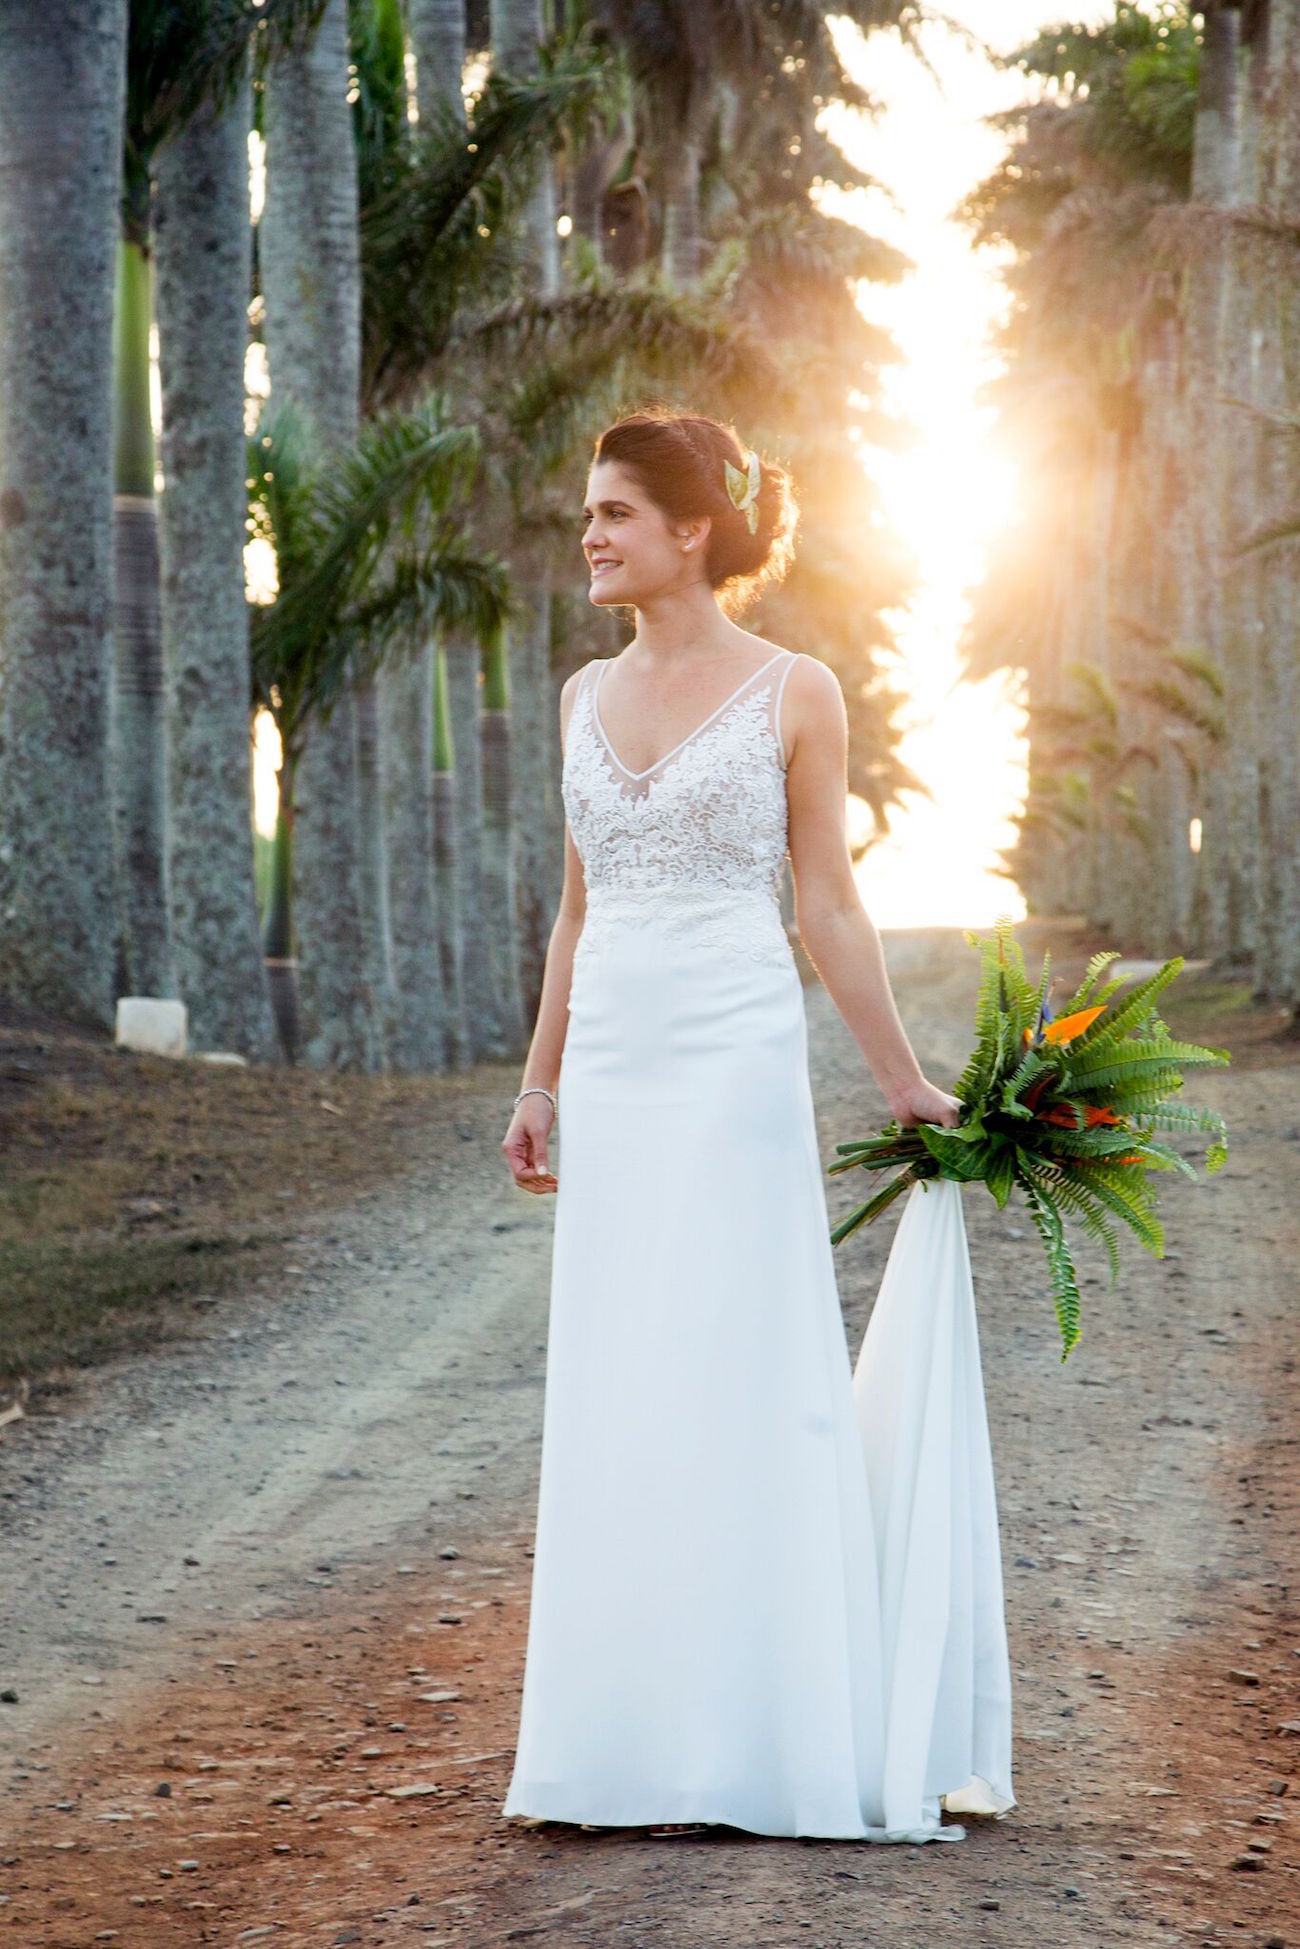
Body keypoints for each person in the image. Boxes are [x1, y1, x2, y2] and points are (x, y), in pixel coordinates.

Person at [497, 407, 1012, 1842]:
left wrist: (902, 1075)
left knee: (736, 1356)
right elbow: (578, 907)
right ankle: (625, 1741)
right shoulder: (574, 699)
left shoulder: (796, 690)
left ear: (693, 528)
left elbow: (827, 904)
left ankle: (759, 1734)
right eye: (588, 514)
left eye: (613, 513)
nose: (590, 536)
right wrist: (541, 1080)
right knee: (621, 1372)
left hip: (733, 1056)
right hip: (615, 1059)